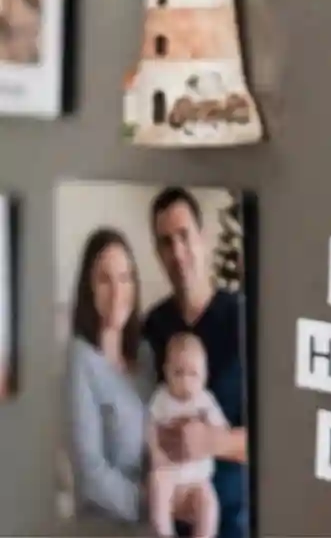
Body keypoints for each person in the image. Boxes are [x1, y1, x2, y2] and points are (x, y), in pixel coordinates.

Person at [143, 189, 249, 538]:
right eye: (166, 242)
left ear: (201, 239)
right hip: (167, 515)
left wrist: (213, 442)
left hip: (231, 520)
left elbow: (279, 438)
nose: (177, 252)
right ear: (158, 253)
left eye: (184, 236)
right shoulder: (153, 327)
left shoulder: (243, 319)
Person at [65, 228, 156, 526]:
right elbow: (90, 472)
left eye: (125, 277)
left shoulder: (145, 354)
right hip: (106, 524)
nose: (117, 291)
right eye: (105, 279)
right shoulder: (81, 359)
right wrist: (151, 503)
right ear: (89, 288)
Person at [148, 332, 227, 538]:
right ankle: (164, 532)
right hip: (169, 471)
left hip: (197, 478)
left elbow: (221, 432)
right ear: (166, 372)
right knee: (157, 485)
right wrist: (156, 454)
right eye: (178, 373)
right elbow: (150, 428)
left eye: (193, 374)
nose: (185, 381)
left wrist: (207, 433)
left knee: (209, 503)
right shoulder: (161, 398)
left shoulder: (205, 402)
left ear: (205, 375)